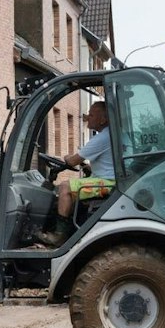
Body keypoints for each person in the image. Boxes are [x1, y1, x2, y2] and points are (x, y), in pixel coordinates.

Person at [37, 100, 114, 246]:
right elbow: (109, 164)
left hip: (108, 183)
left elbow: (72, 161)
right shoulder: (110, 135)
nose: (87, 117)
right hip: (110, 179)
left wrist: (66, 157)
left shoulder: (102, 138)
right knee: (70, 189)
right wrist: (88, 167)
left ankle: (59, 236)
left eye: (91, 115)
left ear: (103, 120)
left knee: (65, 187)